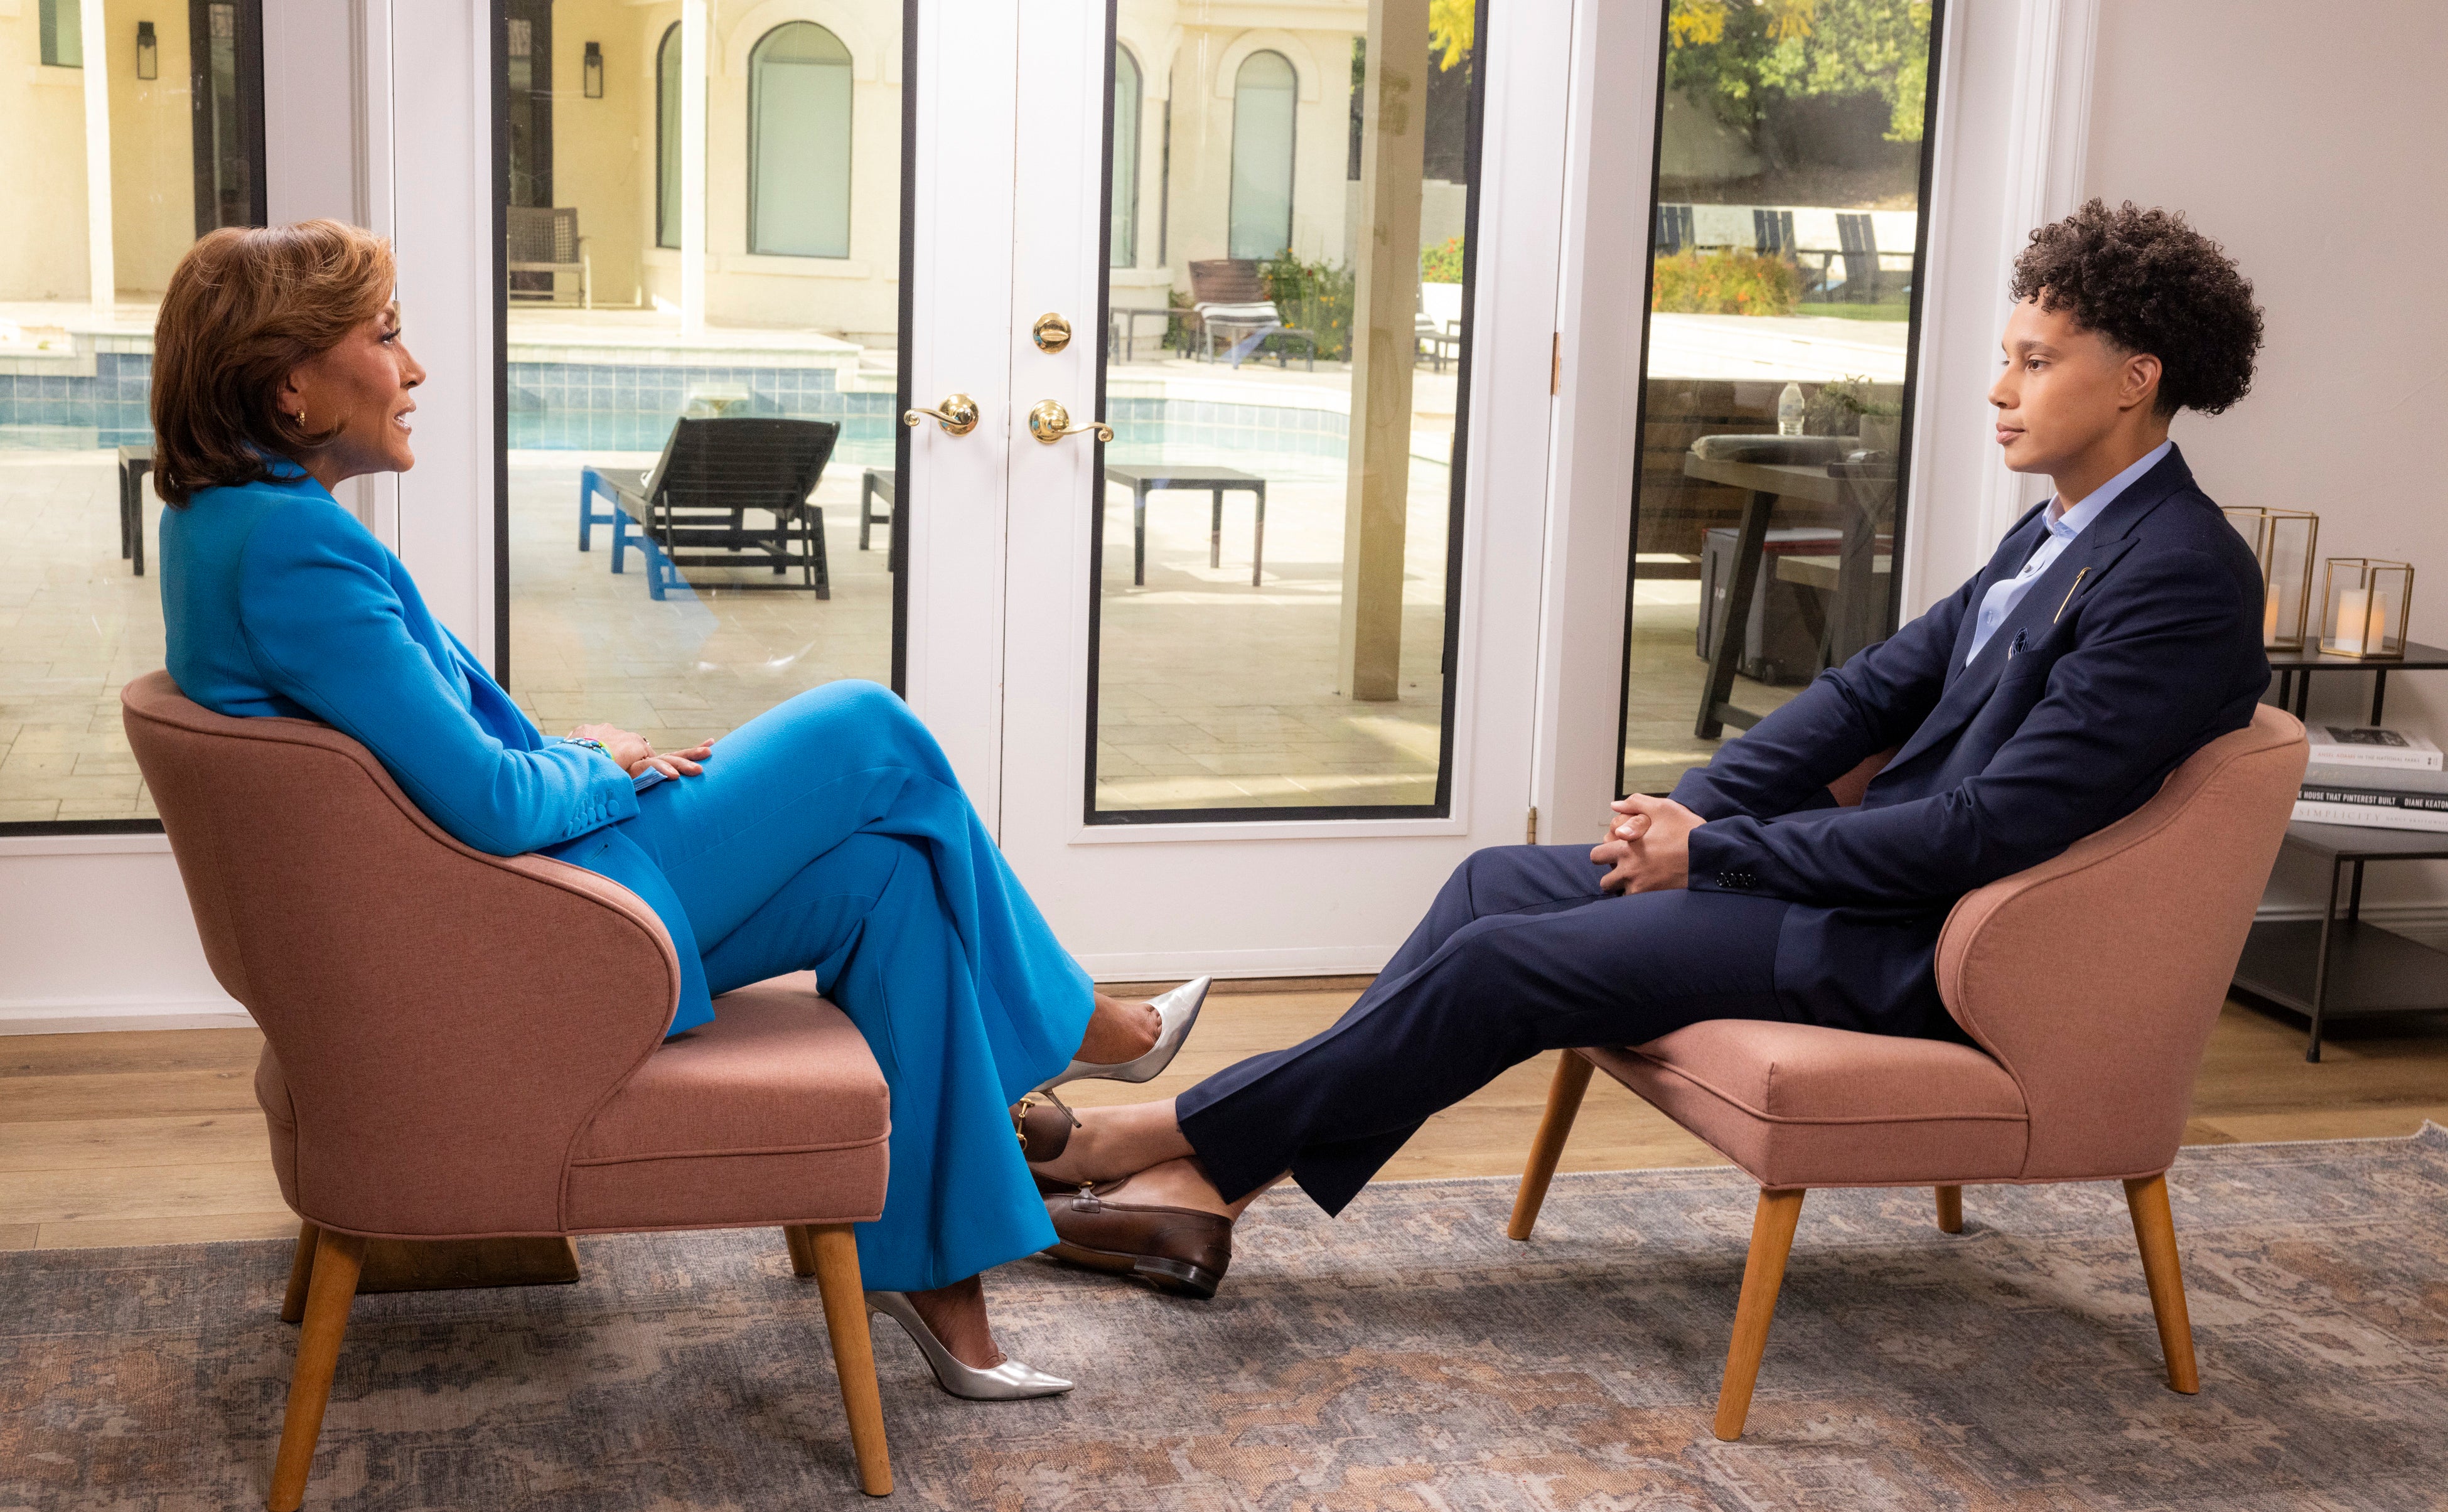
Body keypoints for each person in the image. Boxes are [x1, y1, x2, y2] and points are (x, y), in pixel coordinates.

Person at [1024, 199, 2272, 1297]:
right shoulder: (2052, 534)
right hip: (1863, 892)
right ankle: (1208, 1196)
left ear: (2134, 379)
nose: (2000, 389)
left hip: (1920, 941)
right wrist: (1669, 821)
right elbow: (1861, 697)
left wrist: (1720, 854)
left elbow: (1991, 826)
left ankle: (1165, 1140)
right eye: (2005, 357)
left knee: (1501, 963)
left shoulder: (2180, 577)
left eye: (2035, 362)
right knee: (1491, 882)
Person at [151, 220, 1211, 1397]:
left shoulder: (225, 527)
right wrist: (605, 765)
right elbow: (492, 803)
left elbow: (429, 769)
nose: (416, 369)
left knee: (891, 879)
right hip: (544, 926)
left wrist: (578, 747)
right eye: (387, 337)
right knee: (872, 727)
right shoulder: (292, 549)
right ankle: (1075, 1025)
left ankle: (930, 1278)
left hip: (506, 907)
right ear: (291, 383)